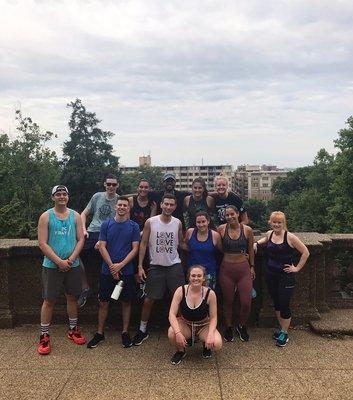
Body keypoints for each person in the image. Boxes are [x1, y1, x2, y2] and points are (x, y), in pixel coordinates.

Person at [37, 185, 86, 355]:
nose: (62, 197)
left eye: (64, 194)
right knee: (49, 300)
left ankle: (73, 329)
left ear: (68, 197)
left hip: (72, 264)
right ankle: (44, 335)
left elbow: (80, 239)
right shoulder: (46, 216)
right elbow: (42, 243)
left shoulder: (76, 216)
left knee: (72, 297)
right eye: (58, 194)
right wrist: (59, 261)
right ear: (53, 197)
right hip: (51, 265)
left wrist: (71, 259)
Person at [86, 197, 140, 349]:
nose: (122, 207)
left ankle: (125, 332)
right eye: (120, 205)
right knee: (103, 302)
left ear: (128, 208)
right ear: (115, 207)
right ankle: (100, 333)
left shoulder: (134, 226)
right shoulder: (106, 224)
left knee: (126, 302)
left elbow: (135, 248)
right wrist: (112, 266)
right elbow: (102, 246)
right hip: (107, 271)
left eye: (125, 205)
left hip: (126, 271)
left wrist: (121, 265)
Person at [132, 194, 185, 346]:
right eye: (166, 204)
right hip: (156, 266)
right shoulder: (151, 222)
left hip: (174, 265)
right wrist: (140, 266)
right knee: (149, 300)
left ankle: (182, 329)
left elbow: (181, 243)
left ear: (175, 207)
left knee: (181, 300)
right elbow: (143, 244)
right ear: (161, 204)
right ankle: (142, 330)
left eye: (171, 205)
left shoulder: (177, 223)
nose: (168, 207)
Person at [254, 211, 309, 347]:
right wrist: (256, 243)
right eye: (274, 222)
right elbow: (264, 240)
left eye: (279, 222)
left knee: (284, 304)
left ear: (284, 223)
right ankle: (281, 328)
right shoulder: (269, 234)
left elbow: (305, 252)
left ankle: (284, 332)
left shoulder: (290, 237)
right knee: (277, 302)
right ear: (270, 223)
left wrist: (296, 268)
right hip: (271, 274)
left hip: (286, 276)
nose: (277, 224)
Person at [78, 174, 119, 307]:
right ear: (105, 185)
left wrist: (104, 239)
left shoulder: (119, 201)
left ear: (117, 186)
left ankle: (104, 289)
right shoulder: (97, 196)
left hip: (108, 234)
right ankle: (85, 287)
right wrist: (83, 229)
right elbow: (83, 214)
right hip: (92, 231)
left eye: (113, 184)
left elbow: (119, 222)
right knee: (74, 255)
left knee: (112, 259)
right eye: (109, 184)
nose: (111, 187)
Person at [168, 265, 222, 364]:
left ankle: (206, 345)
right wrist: (178, 333)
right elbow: (171, 314)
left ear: (204, 278)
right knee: (172, 332)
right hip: (186, 324)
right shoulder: (180, 291)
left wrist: (210, 334)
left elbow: (214, 317)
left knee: (217, 343)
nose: (196, 278)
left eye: (199, 276)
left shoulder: (210, 294)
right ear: (189, 277)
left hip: (203, 325)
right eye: (193, 276)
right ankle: (180, 351)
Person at [217, 205, 255, 342]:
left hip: (243, 269)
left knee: (246, 302)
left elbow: (251, 249)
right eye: (227, 215)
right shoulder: (221, 229)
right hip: (226, 269)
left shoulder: (247, 230)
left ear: (238, 214)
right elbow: (217, 246)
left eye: (232, 214)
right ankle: (228, 327)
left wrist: (252, 266)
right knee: (228, 301)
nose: (230, 217)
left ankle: (241, 325)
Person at [184, 211, 222, 289]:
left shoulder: (215, 235)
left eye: (203, 221)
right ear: (195, 223)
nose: (201, 225)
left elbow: (222, 251)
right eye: (198, 222)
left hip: (209, 273)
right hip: (193, 273)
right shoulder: (190, 232)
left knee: (208, 296)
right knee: (193, 296)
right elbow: (185, 245)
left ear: (208, 221)